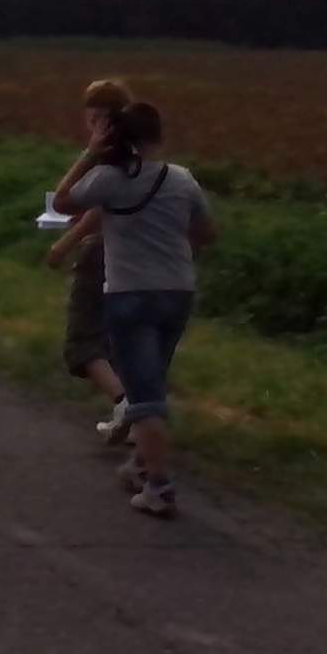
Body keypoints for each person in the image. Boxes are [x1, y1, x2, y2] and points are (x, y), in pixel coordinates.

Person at [51, 100, 216, 519]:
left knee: (143, 394)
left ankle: (159, 487)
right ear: (159, 135)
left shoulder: (109, 179)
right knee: (152, 379)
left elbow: (64, 202)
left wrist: (90, 153)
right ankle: (141, 464)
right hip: (177, 291)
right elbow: (205, 234)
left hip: (129, 293)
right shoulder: (182, 179)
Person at [44, 78, 133, 442]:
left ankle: (125, 404)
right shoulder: (140, 157)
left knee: (82, 342)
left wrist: (64, 245)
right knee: (121, 339)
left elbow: (73, 203)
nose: (91, 125)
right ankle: (137, 422)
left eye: (95, 119)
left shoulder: (105, 160)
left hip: (102, 253)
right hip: (139, 257)